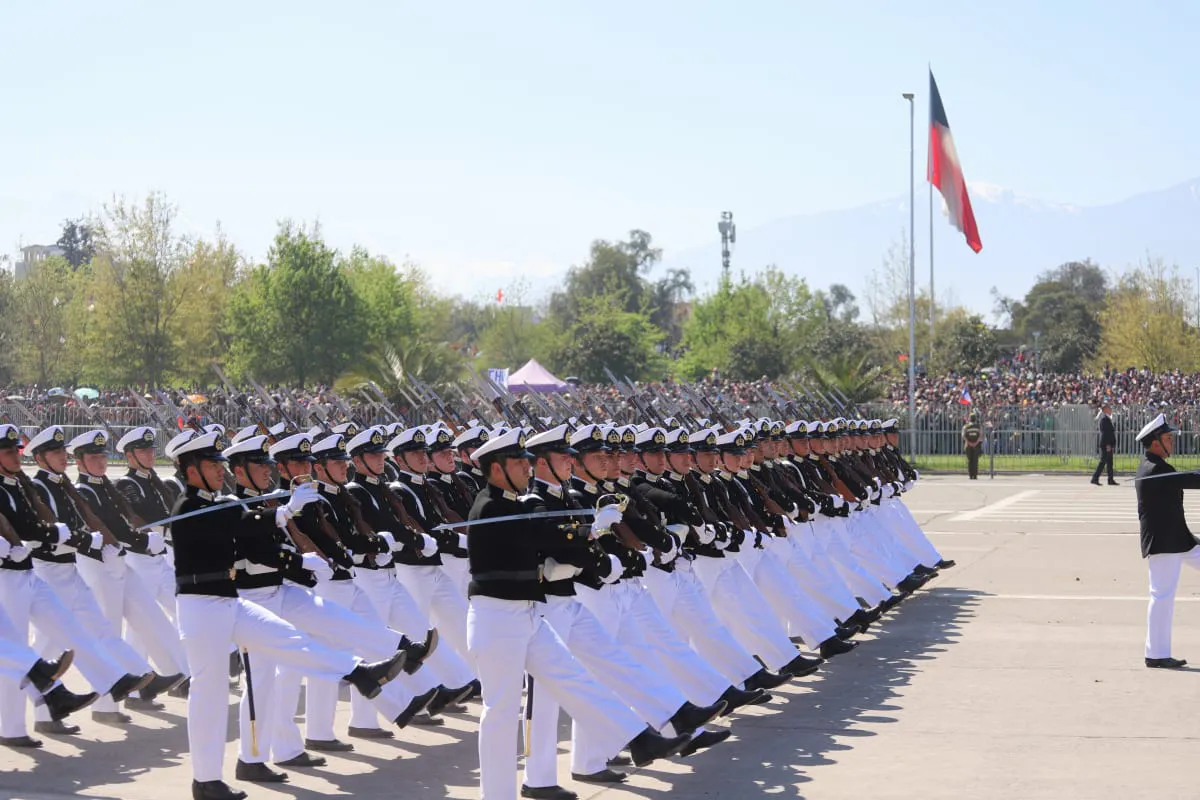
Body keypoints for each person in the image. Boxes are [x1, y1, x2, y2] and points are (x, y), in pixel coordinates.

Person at [1134, 413, 1200, 669]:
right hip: (1164, 544)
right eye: (1168, 439)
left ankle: (1157, 653)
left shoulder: (1155, 467)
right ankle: (1156, 654)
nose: (1172, 442)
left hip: (1179, 540)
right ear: (1155, 443)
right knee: (1162, 596)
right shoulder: (1155, 469)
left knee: (1162, 595)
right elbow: (1191, 480)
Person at [1091, 404, 1118, 486]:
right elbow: (1106, 433)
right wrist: (1108, 444)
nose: (1111, 410)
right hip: (1106, 444)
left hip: (1108, 443)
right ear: (1105, 409)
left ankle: (1110, 479)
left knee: (1109, 462)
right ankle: (1095, 478)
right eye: (1109, 408)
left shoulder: (1107, 419)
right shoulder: (1104, 419)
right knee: (1103, 462)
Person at [961, 411, 983, 480]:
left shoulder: (965, 426)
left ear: (969, 419)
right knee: (975, 460)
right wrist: (975, 443)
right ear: (975, 419)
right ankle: (975, 475)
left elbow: (963, 436)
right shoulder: (979, 426)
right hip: (976, 445)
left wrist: (969, 443)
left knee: (970, 460)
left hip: (968, 445)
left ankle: (970, 475)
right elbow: (980, 436)